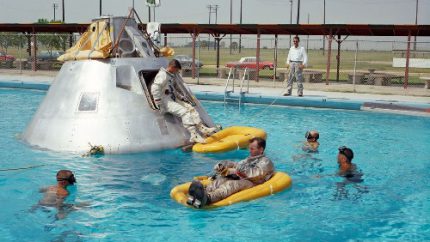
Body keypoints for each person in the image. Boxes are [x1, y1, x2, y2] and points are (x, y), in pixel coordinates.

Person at [187, 137, 274, 208]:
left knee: (231, 184)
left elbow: (256, 174)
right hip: (242, 178)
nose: (249, 150)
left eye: (252, 148)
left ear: (261, 149)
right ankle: (202, 193)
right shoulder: (249, 159)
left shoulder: (266, 161)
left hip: (254, 183)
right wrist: (225, 164)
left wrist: (237, 168)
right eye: (249, 148)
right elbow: (238, 165)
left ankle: (209, 198)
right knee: (221, 179)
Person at [151, 59, 217, 143]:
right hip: (166, 102)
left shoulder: (170, 75)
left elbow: (172, 89)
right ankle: (194, 135)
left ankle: (202, 128)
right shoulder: (163, 75)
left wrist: (181, 97)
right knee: (184, 112)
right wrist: (158, 102)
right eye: (176, 69)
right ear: (172, 67)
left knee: (190, 108)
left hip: (172, 98)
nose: (177, 71)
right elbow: (155, 87)